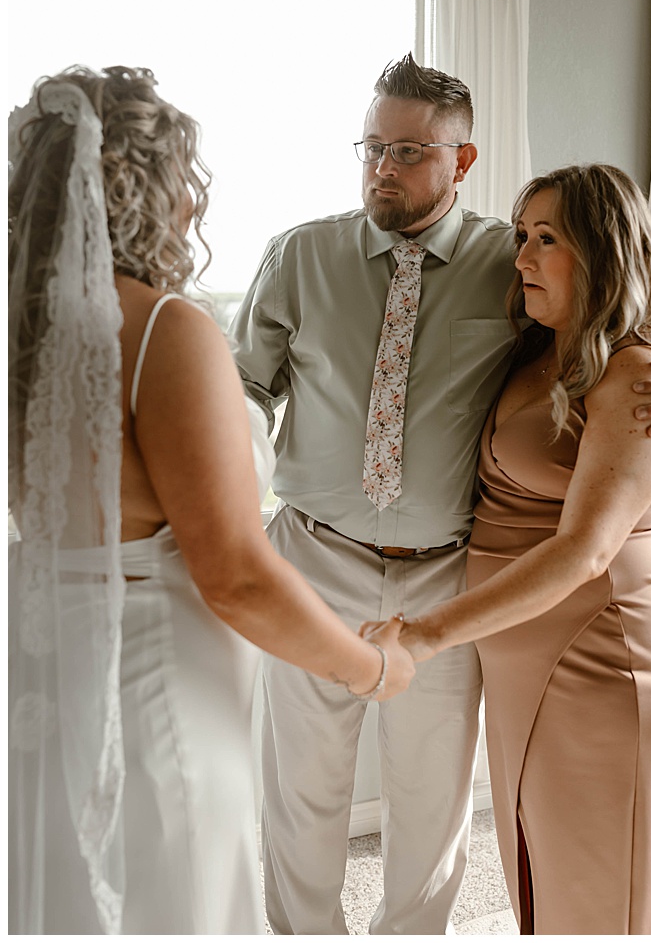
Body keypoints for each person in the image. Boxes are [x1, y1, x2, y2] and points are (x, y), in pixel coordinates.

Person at [232, 55, 651, 934]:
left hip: (449, 575)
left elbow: (611, 314)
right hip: (313, 559)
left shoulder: (506, 265)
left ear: (461, 160)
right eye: (370, 146)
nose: (380, 169)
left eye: (406, 151)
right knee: (301, 797)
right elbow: (242, 390)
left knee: (434, 807)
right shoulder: (300, 255)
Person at [8, 66, 415, 934]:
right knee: (173, 893)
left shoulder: (22, 326)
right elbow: (233, 572)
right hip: (155, 687)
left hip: (42, 669)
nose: (195, 202)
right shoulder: (163, 328)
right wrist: (369, 667)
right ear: (145, 187)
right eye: (185, 179)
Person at [367, 164, 651, 932]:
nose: (522, 258)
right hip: (519, 661)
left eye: (548, 239)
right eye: (520, 237)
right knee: (541, 879)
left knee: (609, 895)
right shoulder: (539, 351)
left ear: (604, 250)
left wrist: (426, 634)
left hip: (599, 661)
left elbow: (584, 552)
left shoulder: (641, 370)